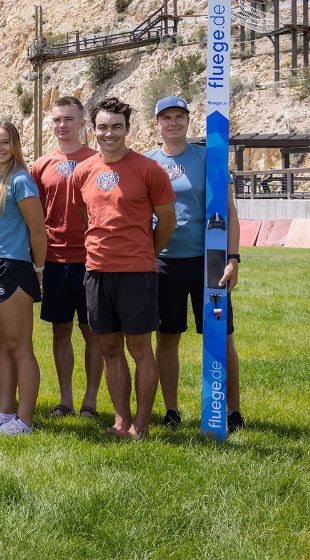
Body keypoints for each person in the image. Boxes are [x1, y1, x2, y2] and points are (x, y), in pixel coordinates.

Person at [72, 97, 175, 440]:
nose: (109, 133)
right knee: (110, 349)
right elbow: (86, 218)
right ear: (93, 130)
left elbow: (168, 223)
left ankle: (142, 425)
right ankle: (121, 420)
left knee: (139, 349)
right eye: (103, 127)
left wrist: (144, 251)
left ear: (128, 130)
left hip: (136, 273)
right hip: (97, 271)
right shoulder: (84, 172)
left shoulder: (149, 170)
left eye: (117, 127)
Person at [147, 96, 243, 432]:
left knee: (221, 337)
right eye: (166, 118)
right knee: (167, 337)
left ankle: (230, 411)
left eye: (179, 117)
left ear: (189, 121)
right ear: (157, 123)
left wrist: (233, 259)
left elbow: (229, 213)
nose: (173, 123)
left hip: (209, 262)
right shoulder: (148, 163)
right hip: (164, 262)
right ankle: (171, 410)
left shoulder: (208, 158)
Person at [29, 96, 103, 419]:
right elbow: (34, 217)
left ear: (82, 123)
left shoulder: (98, 160)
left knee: (92, 332)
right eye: (57, 119)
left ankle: (90, 401)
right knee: (61, 331)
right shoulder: (40, 165)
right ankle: (66, 399)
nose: (63, 125)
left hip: (90, 260)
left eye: (69, 119)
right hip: (56, 261)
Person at [0, 120, 47, 435]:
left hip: (13, 266)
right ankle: (5, 412)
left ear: (14, 145)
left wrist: (39, 270)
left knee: (20, 345)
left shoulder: (21, 180)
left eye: (5, 142)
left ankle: (26, 419)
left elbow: (38, 230)